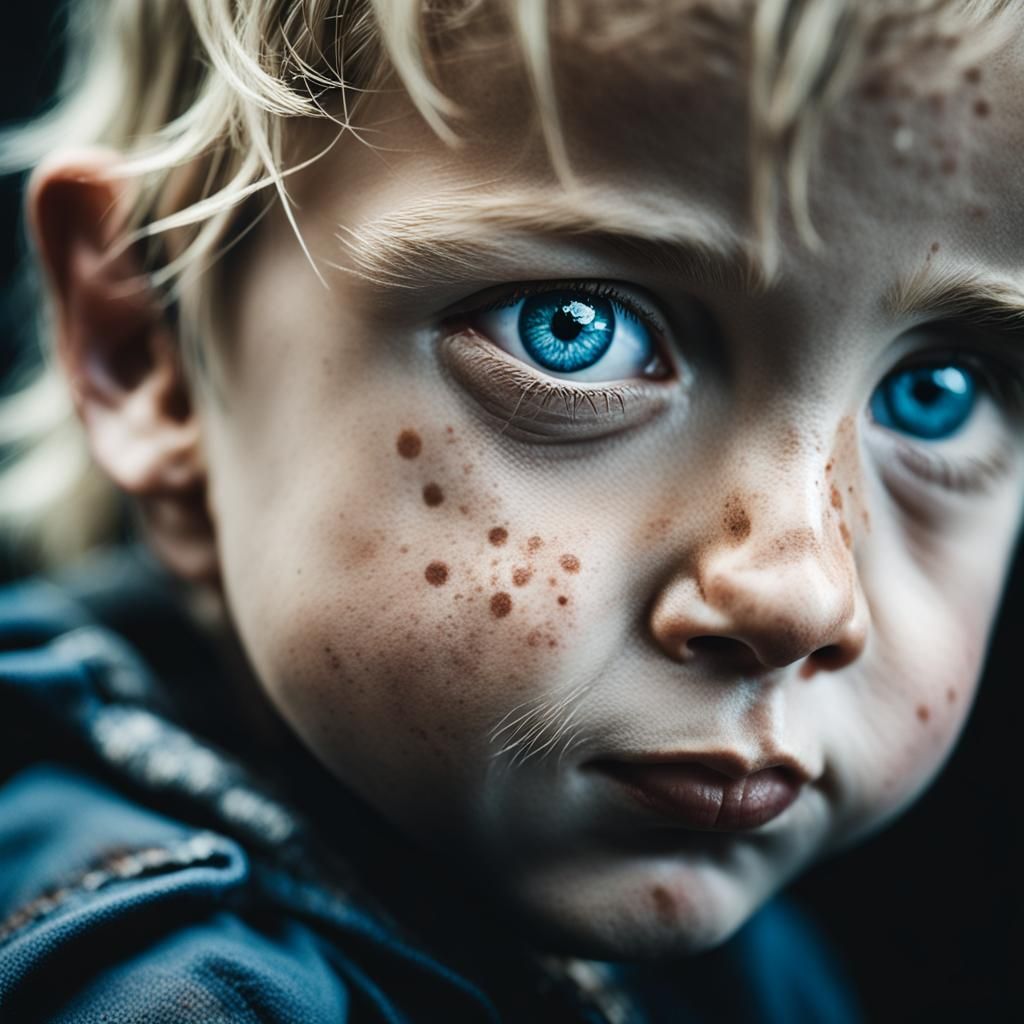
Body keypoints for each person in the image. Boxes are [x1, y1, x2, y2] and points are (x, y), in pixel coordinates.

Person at [1, 1, 1021, 1020]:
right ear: (145, 344)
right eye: (574, 330)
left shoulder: (743, 958)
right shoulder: (170, 994)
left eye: (939, 390)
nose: (798, 595)